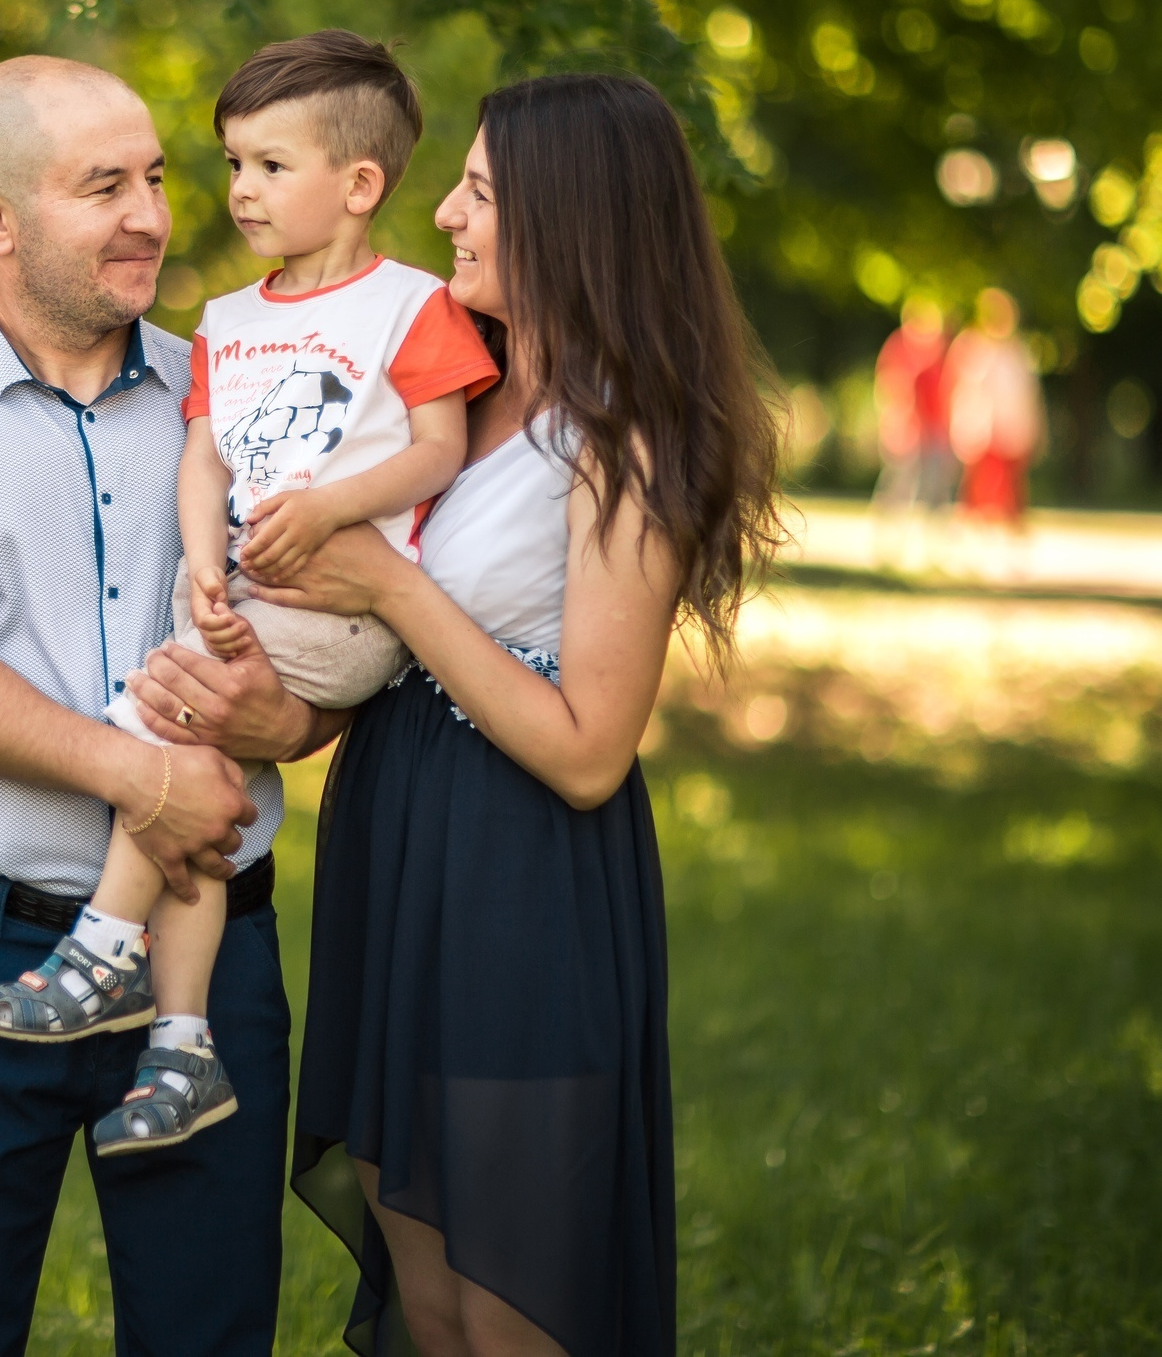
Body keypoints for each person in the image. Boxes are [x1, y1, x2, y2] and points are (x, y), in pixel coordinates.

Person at [130, 72, 783, 1356]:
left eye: (479, 193)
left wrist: (383, 577)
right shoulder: (461, 399)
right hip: (395, 830)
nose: (445, 218)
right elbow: (386, 656)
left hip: (520, 869)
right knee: (419, 1270)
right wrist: (275, 712)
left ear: (569, 218)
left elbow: (590, 752)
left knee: (509, 1283)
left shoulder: (627, 441)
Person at [0, 55, 339, 1357]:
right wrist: (139, 772)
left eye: (158, 177)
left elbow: (330, 622)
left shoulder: (245, 388)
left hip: (211, 956)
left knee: (208, 1333)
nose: (153, 214)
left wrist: (296, 722)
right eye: (102, 185)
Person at [0, 32, 497, 1163]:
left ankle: (106, 950)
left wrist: (332, 507)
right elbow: (202, 460)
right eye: (232, 164)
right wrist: (203, 565)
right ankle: (182, 1043)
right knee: (194, 797)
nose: (237, 191)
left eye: (269, 165)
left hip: (344, 611)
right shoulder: (227, 321)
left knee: (167, 737)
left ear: (359, 186)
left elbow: (440, 450)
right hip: (242, 601)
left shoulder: (408, 309)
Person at [946, 287, 1044, 527]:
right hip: (982, 435)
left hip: (1011, 433)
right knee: (980, 496)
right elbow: (961, 392)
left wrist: (1034, 428)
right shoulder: (972, 347)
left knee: (1011, 497)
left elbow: (1028, 395)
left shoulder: (1018, 351)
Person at [873, 296, 954, 514]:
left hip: (934, 423)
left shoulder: (938, 349)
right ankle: (890, 516)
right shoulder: (899, 346)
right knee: (901, 475)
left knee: (936, 477)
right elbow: (890, 385)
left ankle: (931, 520)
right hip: (908, 424)